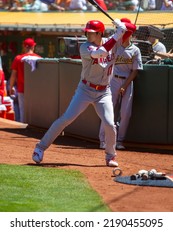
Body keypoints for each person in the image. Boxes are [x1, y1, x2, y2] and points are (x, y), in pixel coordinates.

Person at [32, 18, 130, 167]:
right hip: (85, 90)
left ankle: (110, 156)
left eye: (91, 33)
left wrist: (121, 26)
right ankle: (40, 147)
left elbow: (128, 31)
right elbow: (101, 53)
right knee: (66, 119)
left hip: (104, 92)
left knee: (110, 124)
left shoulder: (112, 41)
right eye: (87, 33)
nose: (88, 35)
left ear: (100, 33)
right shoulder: (85, 47)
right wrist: (117, 34)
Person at [99, 18, 143, 150]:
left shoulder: (135, 50)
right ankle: (103, 140)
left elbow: (135, 71)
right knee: (108, 110)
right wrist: (118, 27)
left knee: (126, 113)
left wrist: (125, 85)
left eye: (126, 33)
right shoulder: (115, 45)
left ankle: (119, 140)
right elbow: (107, 41)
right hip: (112, 80)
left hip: (127, 81)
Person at [9, 38, 41, 122]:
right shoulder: (39, 58)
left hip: (22, 89)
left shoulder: (18, 58)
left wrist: (10, 87)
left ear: (24, 47)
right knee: (36, 111)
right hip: (36, 90)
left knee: (23, 111)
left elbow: (13, 75)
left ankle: (24, 130)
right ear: (33, 46)